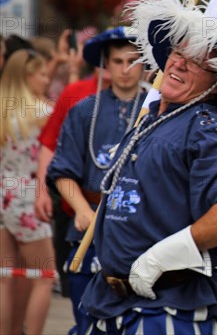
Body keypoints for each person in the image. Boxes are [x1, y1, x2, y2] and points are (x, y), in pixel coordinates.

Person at [75, 0, 217, 334]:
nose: (180, 64)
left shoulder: (205, 127)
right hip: (109, 303)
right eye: (178, 52)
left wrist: (158, 260)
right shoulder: (152, 119)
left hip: (165, 311)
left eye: (196, 61)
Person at [46, 26, 146, 334]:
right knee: (87, 322)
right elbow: (62, 171)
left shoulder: (156, 111)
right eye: (118, 61)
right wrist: (81, 210)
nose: (126, 69)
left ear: (144, 63)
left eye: (133, 60)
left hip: (139, 234)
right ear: (105, 63)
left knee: (133, 324)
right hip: (87, 231)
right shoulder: (83, 110)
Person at [34, 31, 107, 297]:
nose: (120, 67)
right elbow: (49, 143)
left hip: (124, 220)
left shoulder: (146, 101)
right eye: (112, 58)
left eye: (129, 59)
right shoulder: (75, 92)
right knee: (77, 293)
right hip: (76, 213)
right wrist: (42, 190)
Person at [0, 49, 56, 335]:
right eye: (42, 74)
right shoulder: (43, 113)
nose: (46, 80)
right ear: (27, 75)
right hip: (29, 199)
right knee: (44, 277)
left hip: (2, 197)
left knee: (5, 278)